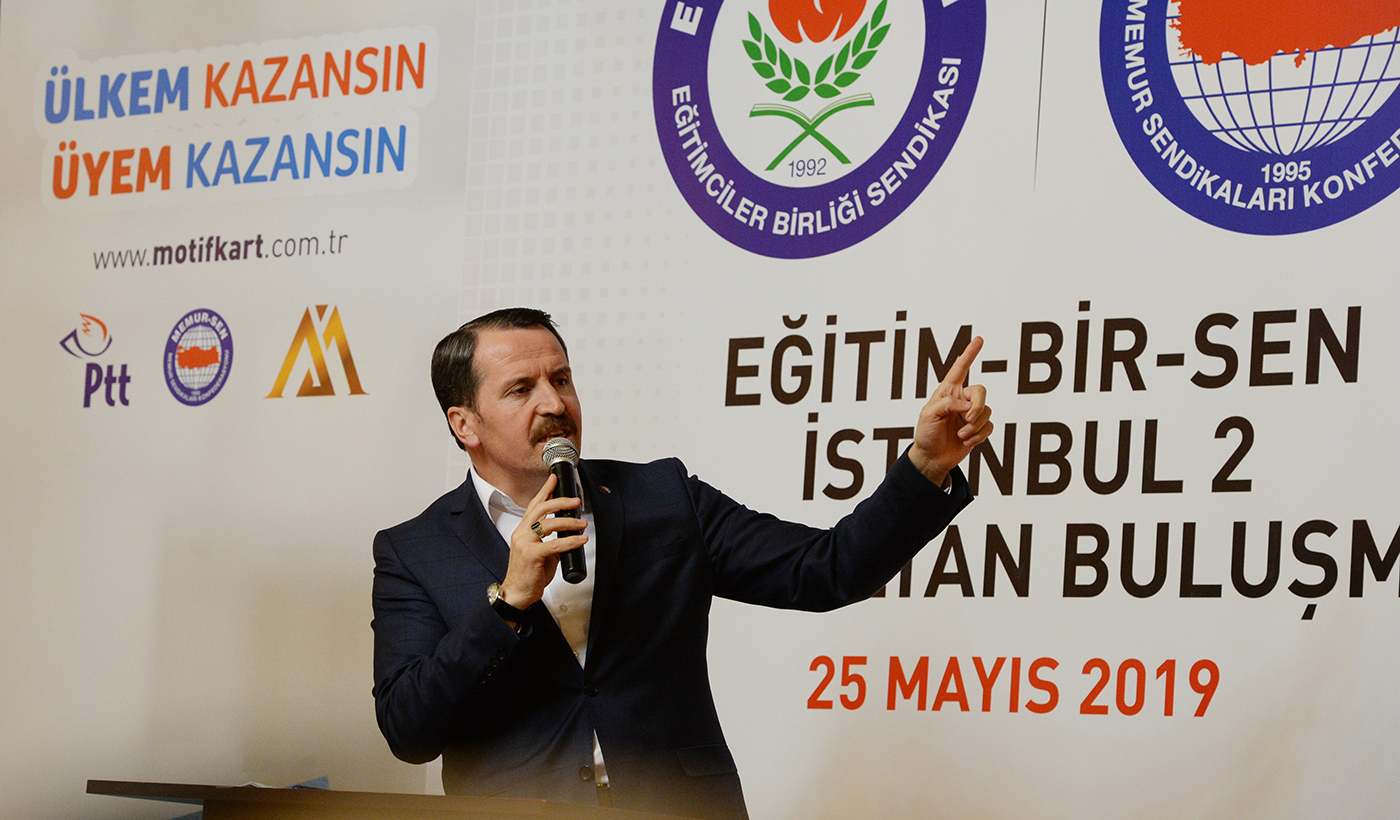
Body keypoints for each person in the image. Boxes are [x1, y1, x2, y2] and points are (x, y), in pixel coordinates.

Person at [371, 307, 993, 820]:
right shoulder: (413, 550)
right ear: (465, 424)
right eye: (520, 389)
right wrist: (509, 601)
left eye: (561, 379)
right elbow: (409, 730)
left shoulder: (664, 497)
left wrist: (925, 466)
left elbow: (828, 569)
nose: (554, 402)